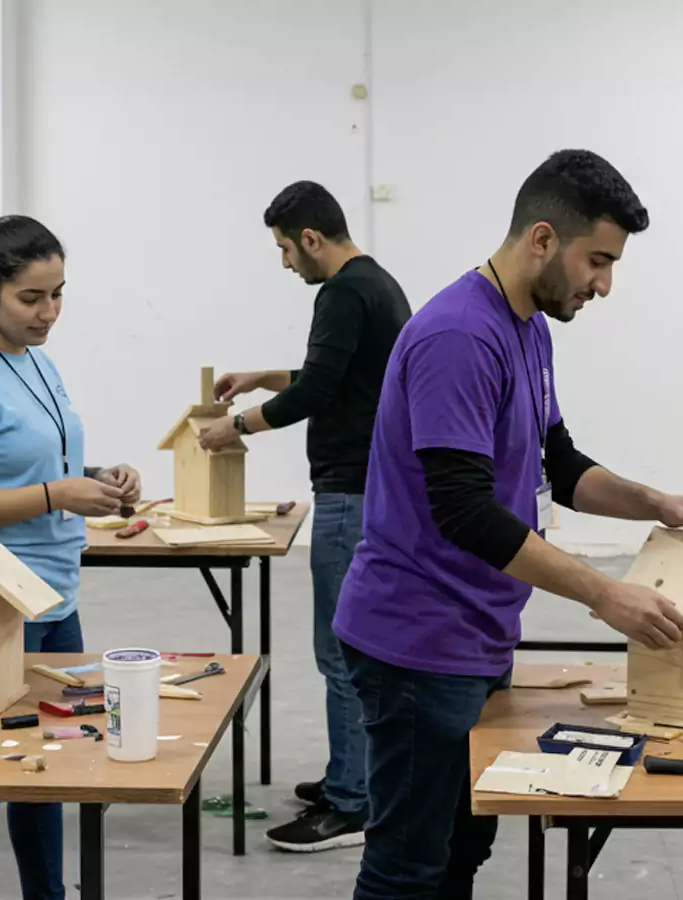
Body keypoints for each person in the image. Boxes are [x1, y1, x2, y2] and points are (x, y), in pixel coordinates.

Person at [333, 149, 683, 898]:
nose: (604, 285)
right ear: (543, 239)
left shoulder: (528, 327)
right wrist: (602, 594)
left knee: (460, 848)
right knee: (409, 867)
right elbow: (464, 511)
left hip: (473, 637)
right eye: (598, 261)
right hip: (417, 643)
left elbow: (561, 463)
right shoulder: (459, 337)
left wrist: (661, 503)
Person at [0, 215, 141, 900]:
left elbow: (41, 461)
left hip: (54, 597)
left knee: (45, 769)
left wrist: (101, 475)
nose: (48, 313)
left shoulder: (36, 360)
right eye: (32, 298)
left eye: (58, 294)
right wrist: (54, 493)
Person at [201, 181, 411, 852]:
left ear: (312, 239)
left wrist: (234, 427)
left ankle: (353, 805)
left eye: (286, 249)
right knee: (351, 647)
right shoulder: (377, 285)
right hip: (368, 487)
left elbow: (322, 390)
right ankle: (351, 777)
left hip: (352, 494)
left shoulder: (342, 292)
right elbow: (338, 375)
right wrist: (266, 376)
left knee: (342, 650)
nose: (286, 263)